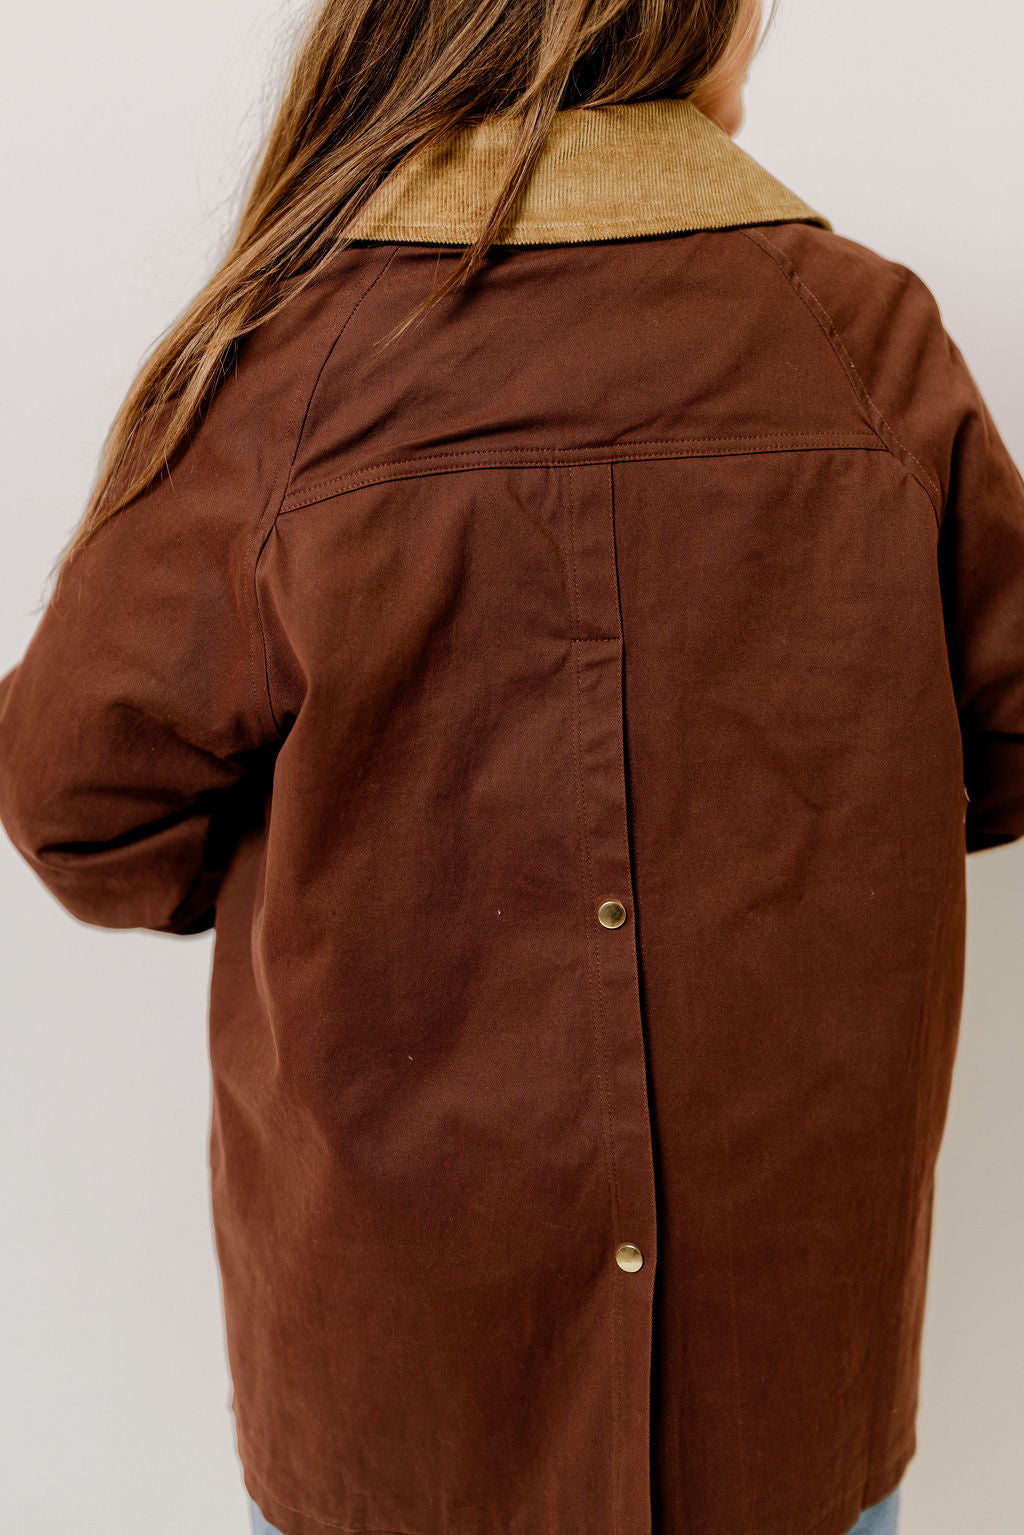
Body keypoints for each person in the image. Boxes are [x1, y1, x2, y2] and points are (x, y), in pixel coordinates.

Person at [0, 0, 1020, 1532]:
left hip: (400, 1401)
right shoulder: (862, 340)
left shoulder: (289, 363)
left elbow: (73, 799)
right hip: (782, 1387)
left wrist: (325, 857)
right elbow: (1006, 733)